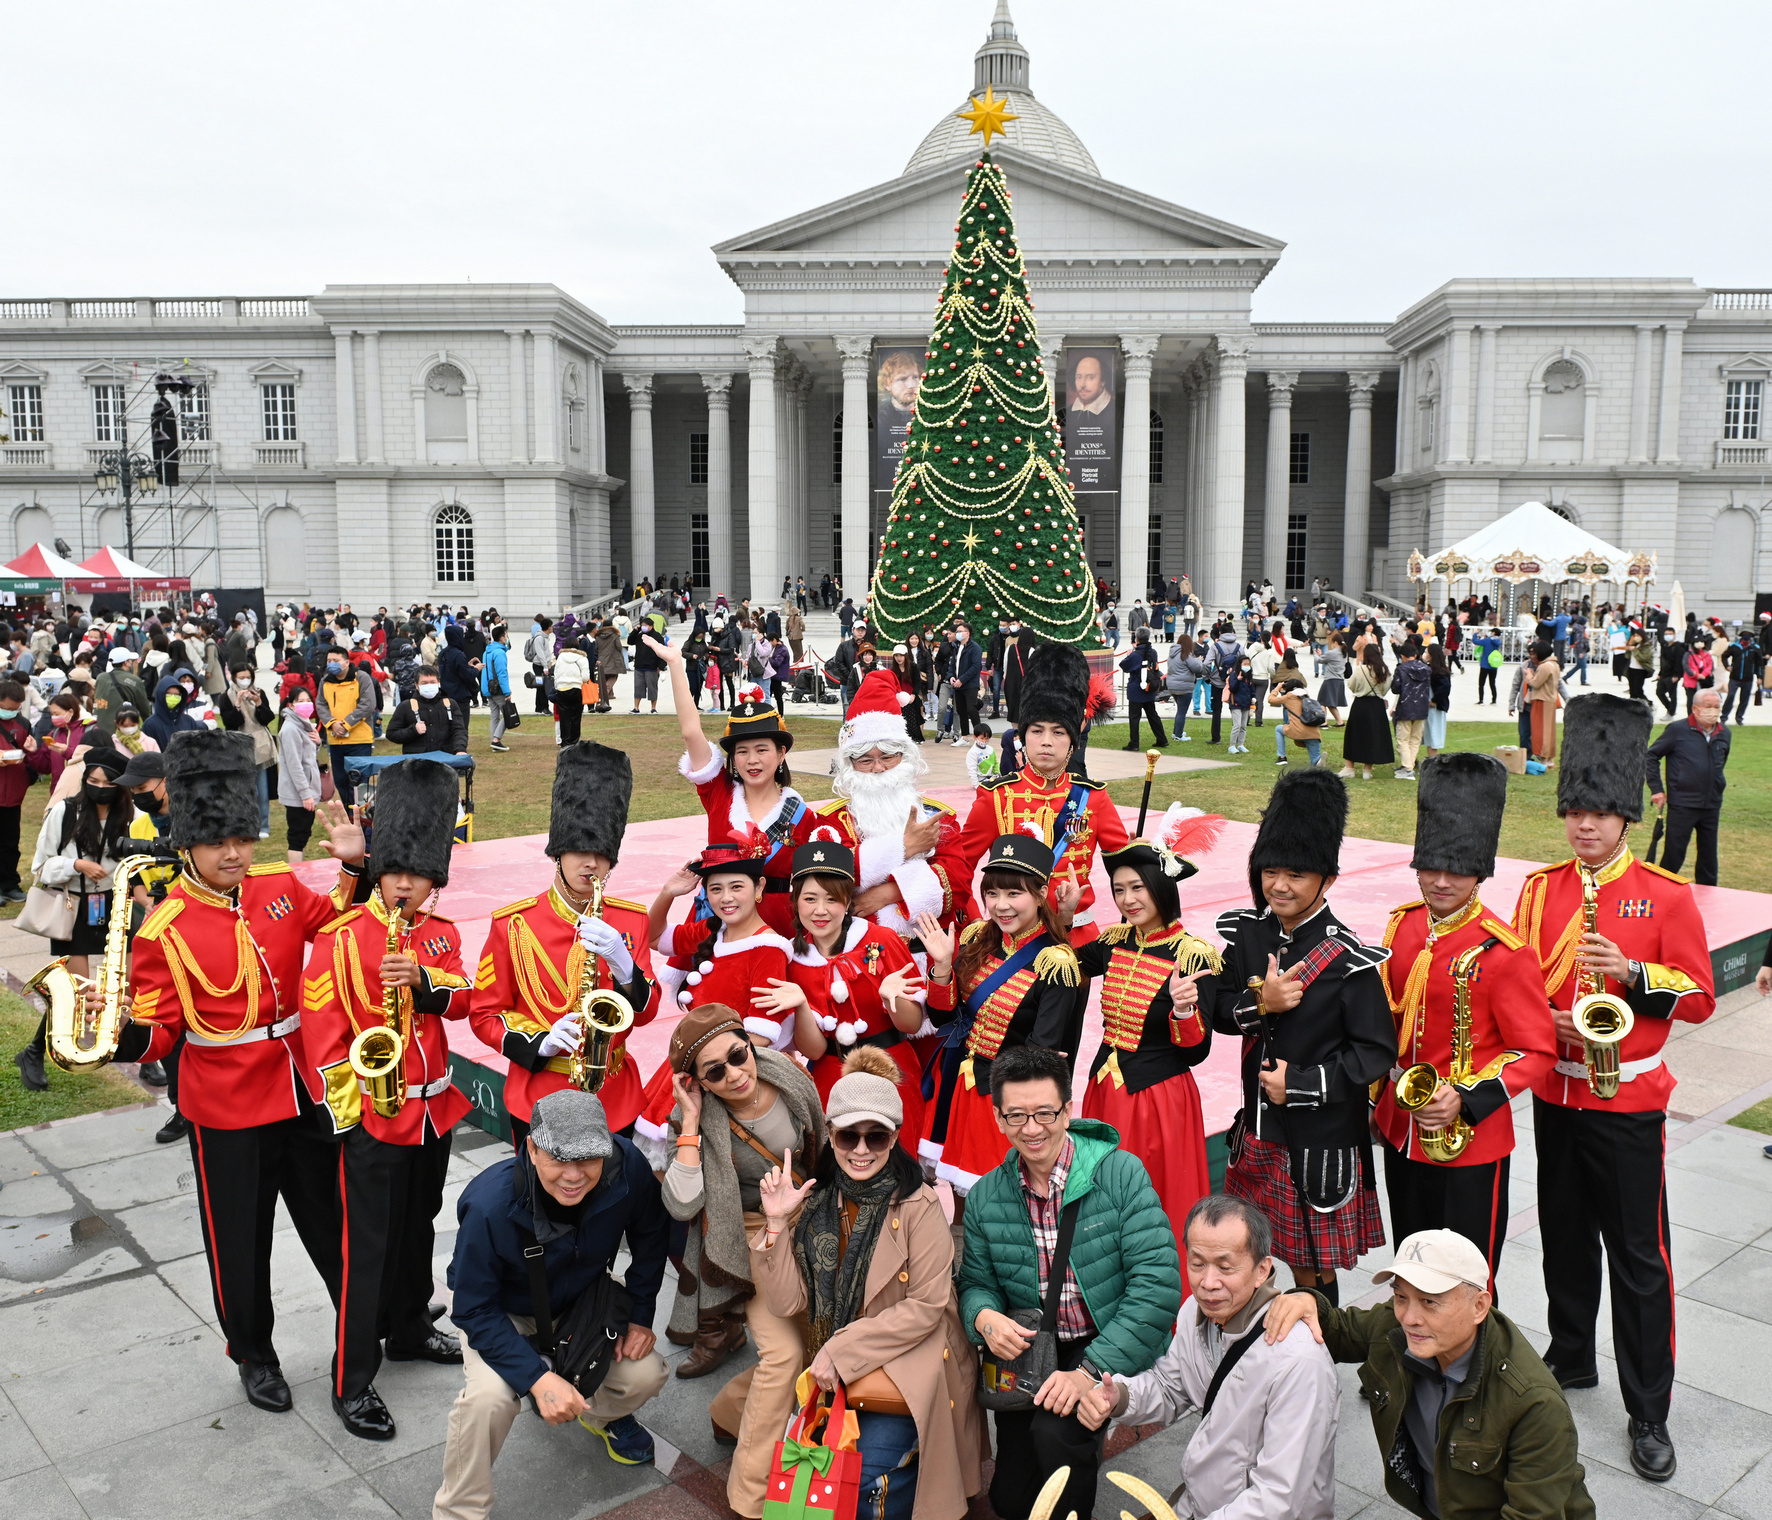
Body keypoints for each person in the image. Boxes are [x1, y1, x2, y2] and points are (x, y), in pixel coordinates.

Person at [118, 731, 365, 1413]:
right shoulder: (162, 928)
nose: (233, 853)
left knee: (334, 1220)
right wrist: (121, 1034)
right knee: (239, 1242)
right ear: (187, 843)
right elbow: (162, 1031)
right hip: (225, 1105)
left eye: (242, 838)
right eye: (217, 841)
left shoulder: (279, 886)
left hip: (300, 1089)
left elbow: (342, 923)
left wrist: (354, 868)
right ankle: (254, 1353)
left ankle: (361, 1329)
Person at [1511, 693, 1716, 1482]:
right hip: (1556, 1094)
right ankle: (1570, 1358)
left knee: (1638, 1258)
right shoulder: (1539, 890)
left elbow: (1696, 997)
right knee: (1563, 1239)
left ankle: (1649, 1411)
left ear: (1626, 814)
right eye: (1574, 811)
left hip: (1627, 1101)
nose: (1584, 825)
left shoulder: (1664, 894)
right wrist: (1544, 1022)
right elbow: (1520, 979)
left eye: (1599, 812)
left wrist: (1632, 977)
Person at [303, 760, 473, 1439]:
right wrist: (355, 1113)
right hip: (373, 1116)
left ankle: (408, 1327)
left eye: (419, 871)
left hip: (434, 1113)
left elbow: (466, 998)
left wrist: (426, 979)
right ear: (379, 870)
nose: (406, 881)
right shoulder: (340, 937)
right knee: (366, 1248)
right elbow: (321, 1037)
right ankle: (351, 1379)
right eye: (396, 869)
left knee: (418, 1230)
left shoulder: (441, 933)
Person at [752, 1047, 985, 1520]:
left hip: (904, 1361)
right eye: (848, 1136)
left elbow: (926, 1306)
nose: (861, 1150)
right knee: (824, 1477)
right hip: (838, 1368)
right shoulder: (816, 1204)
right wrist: (776, 1227)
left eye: (876, 1137)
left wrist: (840, 1351)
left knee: (862, 1481)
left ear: (895, 1137)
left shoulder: (918, 1206)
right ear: (831, 1135)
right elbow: (787, 1302)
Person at [958, 1045, 1181, 1520]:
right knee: (1011, 1500)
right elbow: (975, 1282)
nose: (1032, 1128)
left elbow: (1157, 1287)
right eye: (1016, 1116)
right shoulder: (984, 1196)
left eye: (1044, 1112)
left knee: (1055, 1437)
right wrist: (984, 1316)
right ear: (998, 1118)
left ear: (1069, 1109)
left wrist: (1088, 1372)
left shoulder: (1120, 1174)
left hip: (1102, 1340)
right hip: (1032, 1348)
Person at [434, 1090, 669, 1520]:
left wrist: (639, 1314)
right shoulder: (489, 1205)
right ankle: (457, 1512)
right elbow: (471, 1307)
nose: (574, 1176)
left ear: (608, 1148)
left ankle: (596, 1415)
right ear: (531, 1148)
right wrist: (538, 1379)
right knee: (489, 1400)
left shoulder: (627, 1164)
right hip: (501, 1311)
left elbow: (652, 1236)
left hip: (582, 1301)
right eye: (560, 1159)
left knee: (646, 1374)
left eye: (588, 1159)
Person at [1212, 770, 1394, 1303]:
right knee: (1245, 1259)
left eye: (1296, 873)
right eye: (1271, 871)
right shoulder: (1245, 934)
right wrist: (1260, 1005)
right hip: (1256, 1135)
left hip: (1319, 1144)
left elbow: (1375, 1051)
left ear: (1327, 879)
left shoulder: (1349, 958)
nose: (1280, 886)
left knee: (1312, 1275)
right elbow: (1218, 1011)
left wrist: (1303, 1084)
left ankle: (1315, 1372)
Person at [1374, 755, 1557, 1286]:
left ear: (1480, 869)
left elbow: (1537, 1049)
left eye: (1456, 869)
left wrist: (1466, 1097)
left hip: (1470, 1140)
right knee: (1411, 1264)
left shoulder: (1505, 951)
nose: (1440, 880)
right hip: (1403, 1130)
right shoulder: (1402, 926)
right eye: (1430, 866)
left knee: (1467, 1278)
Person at [1264, 1228, 1596, 1519]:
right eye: (1400, 1297)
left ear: (1480, 1306)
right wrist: (1306, 1300)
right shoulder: (1396, 1328)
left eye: (1429, 1302)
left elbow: (1532, 1515)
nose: (1409, 1317)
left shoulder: (1533, 1403)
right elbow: (1339, 1330)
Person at [1078, 1196, 1339, 1520]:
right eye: (1197, 1263)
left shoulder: (1299, 1360)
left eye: (1225, 1267)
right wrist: (1119, 1396)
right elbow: (1172, 1385)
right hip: (1200, 1503)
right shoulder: (1195, 1311)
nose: (1208, 1283)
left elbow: (1276, 1499)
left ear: (1262, 1270)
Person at [661, 1004, 827, 1515]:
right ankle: (749, 1498)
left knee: (813, 1348)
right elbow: (682, 1203)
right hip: (749, 1236)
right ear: (699, 1082)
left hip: (808, 1222)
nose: (734, 1073)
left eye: (738, 1055)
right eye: (715, 1071)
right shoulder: (694, 1116)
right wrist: (690, 1118)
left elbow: (822, 1141)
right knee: (781, 1357)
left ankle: (730, 1411)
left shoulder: (787, 1073)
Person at [467, 743, 656, 1151]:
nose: (591, 863)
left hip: (613, 1095)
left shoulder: (630, 920)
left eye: (602, 854)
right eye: (579, 850)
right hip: (539, 1092)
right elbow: (484, 1015)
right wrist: (540, 1043)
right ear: (557, 852)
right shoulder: (513, 924)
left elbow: (646, 1013)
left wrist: (625, 968)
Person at [1069, 812, 1221, 1266]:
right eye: (1119, 889)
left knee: (1155, 1202)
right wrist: (1061, 915)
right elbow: (1062, 962)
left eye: (1138, 887)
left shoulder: (1194, 955)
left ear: (1161, 886)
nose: (1128, 899)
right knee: (1100, 1201)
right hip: (1105, 1092)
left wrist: (1183, 1009)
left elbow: (1198, 1050)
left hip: (1158, 1100)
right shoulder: (1113, 942)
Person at [757, 841, 927, 1134]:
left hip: (892, 1072)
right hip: (830, 1080)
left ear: (847, 902)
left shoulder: (882, 940)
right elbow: (815, 1050)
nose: (820, 911)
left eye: (832, 899)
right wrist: (800, 1006)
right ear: (795, 901)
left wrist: (892, 999)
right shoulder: (791, 961)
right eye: (809, 899)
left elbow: (912, 1025)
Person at [652, 635, 819, 907]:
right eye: (742, 751)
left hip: (778, 929)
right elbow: (691, 732)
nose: (752, 760)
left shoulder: (804, 817)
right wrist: (675, 664)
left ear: (781, 754)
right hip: (716, 924)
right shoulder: (719, 793)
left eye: (762, 749)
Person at [1648, 687, 1729, 885]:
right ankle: (1662, 888)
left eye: (1717, 706)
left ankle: (1709, 891)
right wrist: (1657, 789)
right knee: (1675, 852)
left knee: (1709, 855)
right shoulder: (1678, 730)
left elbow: (1720, 763)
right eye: (1708, 706)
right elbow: (1651, 756)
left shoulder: (1724, 733)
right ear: (1695, 708)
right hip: (1683, 802)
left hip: (1711, 803)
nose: (1713, 710)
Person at [321, 644, 377, 808]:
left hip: (359, 740)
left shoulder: (361, 678)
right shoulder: (325, 681)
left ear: (346, 662)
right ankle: (349, 815)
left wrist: (346, 725)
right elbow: (321, 705)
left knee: (361, 782)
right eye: (329, 660)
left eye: (335, 660)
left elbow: (367, 705)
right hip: (336, 740)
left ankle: (365, 819)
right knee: (340, 780)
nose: (331, 663)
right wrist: (332, 724)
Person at [0, 680, 37, 906]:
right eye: (9, 707)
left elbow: (28, 753)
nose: (13, 711)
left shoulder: (23, 723)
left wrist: (31, 752)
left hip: (13, 792)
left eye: (17, 707)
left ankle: (10, 884)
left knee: (10, 843)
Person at [1340, 642, 1394, 780]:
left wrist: (1360, 690)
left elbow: (1351, 685)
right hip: (1377, 706)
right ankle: (1367, 770)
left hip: (1361, 704)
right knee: (1372, 736)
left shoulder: (1360, 669)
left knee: (1354, 735)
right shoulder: (1384, 670)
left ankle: (1349, 767)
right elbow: (1387, 687)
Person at [386, 666, 468, 755]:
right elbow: (391, 734)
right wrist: (413, 730)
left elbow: (459, 730)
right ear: (417, 685)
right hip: (416, 761)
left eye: (432, 682)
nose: (429, 686)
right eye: (424, 683)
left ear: (438, 683)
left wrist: (460, 750)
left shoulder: (450, 704)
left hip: (445, 757)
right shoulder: (406, 706)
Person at [1118, 628, 1167, 750]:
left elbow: (1124, 666)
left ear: (1138, 639)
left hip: (1136, 690)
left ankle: (1134, 743)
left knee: (1134, 718)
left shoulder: (1135, 655)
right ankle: (1162, 739)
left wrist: (1129, 655)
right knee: (1153, 715)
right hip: (1149, 688)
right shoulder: (1153, 652)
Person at [1390, 638, 1432, 779]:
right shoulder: (1426, 669)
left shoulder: (1401, 669)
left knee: (1402, 739)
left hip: (1405, 707)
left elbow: (1395, 688)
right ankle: (1410, 765)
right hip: (1421, 707)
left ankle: (1408, 769)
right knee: (1415, 739)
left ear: (1402, 656)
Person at [92, 645, 151, 736]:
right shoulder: (134, 681)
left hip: (99, 730)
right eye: (131, 661)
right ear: (126, 663)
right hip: (121, 729)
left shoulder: (100, 678)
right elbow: (145, 710)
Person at [1268, 673, 1324, 767]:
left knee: (1278, 728)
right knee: (1315, 760)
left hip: (1297, 731)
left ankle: (1282, 757)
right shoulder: (1307, 697)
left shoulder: (1290, 696)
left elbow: (1271, 700)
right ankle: (1318, 761)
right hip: (1314, 733)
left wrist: (1277, 688)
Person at [1164, 633, 1206, 741]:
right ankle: (1178, 735)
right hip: (1184, 686)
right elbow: (1197, 668)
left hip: (1172, 685)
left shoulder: (1172, 655)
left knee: (1180, 710)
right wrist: (1199, 661)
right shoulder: (1186, 655)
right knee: (1182, 711)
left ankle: (1176, 731)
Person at [1526, 638, 1561, 762]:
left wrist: (1529, 675)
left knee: (1541, 731)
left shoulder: (1544, 667)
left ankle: (1543, 757)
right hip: (1550, 699)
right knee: (1549, 730)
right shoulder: (1554, 665)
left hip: (1542, 699)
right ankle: (1550, 758)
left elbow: (1535, 683)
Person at [480, 622, 513, 750]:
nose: (507, 637)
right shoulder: (499, 653)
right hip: (497, 688)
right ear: (502, 638)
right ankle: (496, 739)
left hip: (488, 688)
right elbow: (502, 673)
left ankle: (494, 742)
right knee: (508, 714)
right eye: (506, 635)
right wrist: (507, 691)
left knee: (494, 716)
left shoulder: (487, 651)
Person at [949, 622, 983, 739]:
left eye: (960, 631)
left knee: (971, 709)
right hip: (958, 684)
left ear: (967, 633)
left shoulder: (975, 648)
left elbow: (975, 666)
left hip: (970, 684)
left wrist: (962, 680)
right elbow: (953, 665)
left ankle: (980, 735)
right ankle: (965, 736)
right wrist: (951, 677)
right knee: (961, 711)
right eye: (956, 632)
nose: (957, 634)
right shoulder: (957, 647)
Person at [965, 721, 998, 786]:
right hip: (980, 781)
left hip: (992, 779)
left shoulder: (991, 750)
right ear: (975, 737)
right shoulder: (972, 752)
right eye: (982, 738)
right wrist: (976, 785)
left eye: (987, 739)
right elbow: (972, 770)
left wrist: (997, 773)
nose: (984, 741)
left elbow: (995, 763)